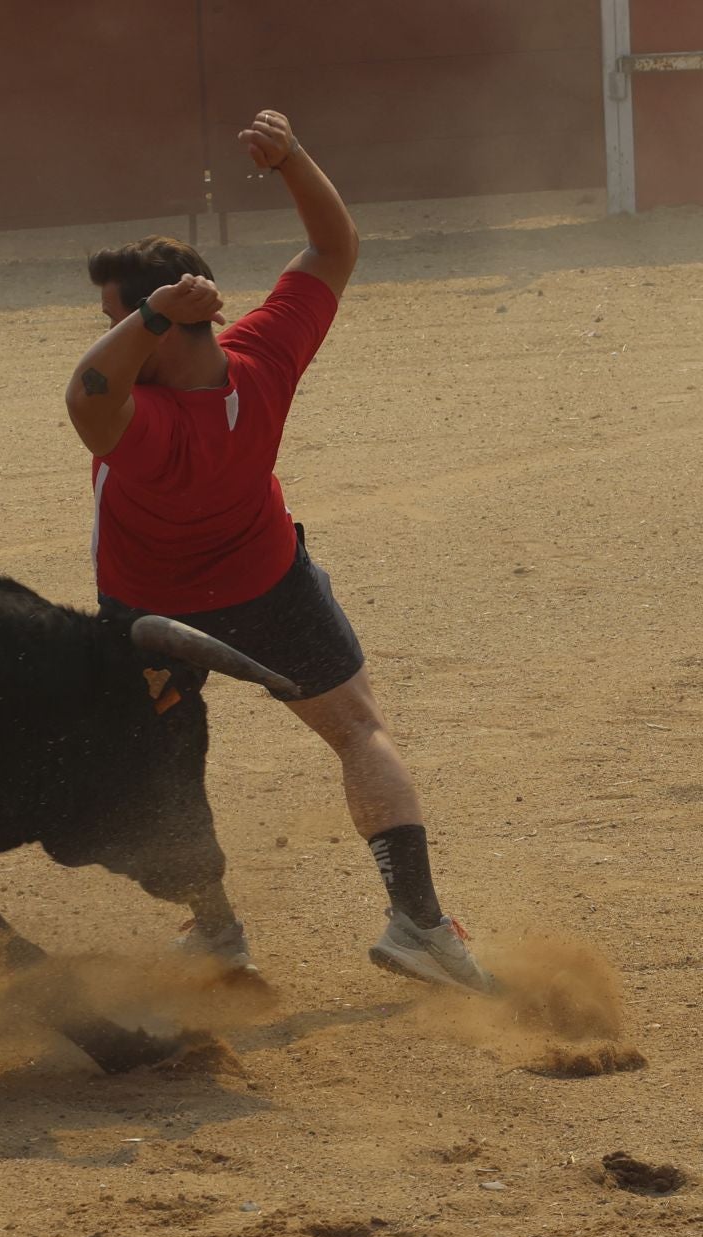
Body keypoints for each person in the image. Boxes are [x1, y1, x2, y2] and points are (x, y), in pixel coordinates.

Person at [60, 109, 493, 993]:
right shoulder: (262, 359)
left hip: (149, 612)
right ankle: (418, 920)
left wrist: (144, 314)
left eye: (121, 319)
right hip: (266, 586)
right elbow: (334, 250)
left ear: (166, 326)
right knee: (359, 731)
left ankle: (218, 934)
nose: (110, 333)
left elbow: (85, 391)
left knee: (166, 767)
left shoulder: (135, 424)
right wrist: (292, 159)